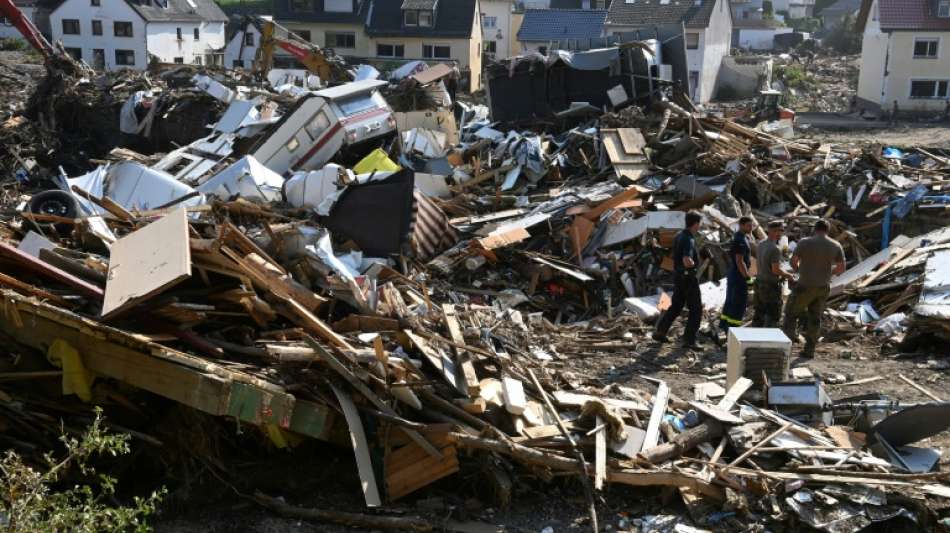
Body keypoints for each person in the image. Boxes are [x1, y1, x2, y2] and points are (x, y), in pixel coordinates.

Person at [782, 219, 846, 358]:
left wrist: (799, 270)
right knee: (815, 318)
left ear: (815, 229)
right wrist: (828, 273)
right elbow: (841, 268)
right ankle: (809, 350)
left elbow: (793, 261)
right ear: (827, 230)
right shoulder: (836, 245)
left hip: (805, 285)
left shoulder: (805, 242)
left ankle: (785, 350)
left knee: (791, 314)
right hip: (823, 287)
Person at [653, 211, 703, 350]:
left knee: (676, 306)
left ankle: (660, 331)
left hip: (679, 277)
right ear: (696, 223)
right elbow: (687, 260)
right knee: (696, 309)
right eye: (699, 223)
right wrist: (693, 264)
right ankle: (690, 340)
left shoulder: (679, 235)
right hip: (688, 277)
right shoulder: (689, 239)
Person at [752, 220, 794, 327]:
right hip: (770, 286)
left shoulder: (761, 244)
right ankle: (769, 340)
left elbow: (760, 264)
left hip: (759, 282)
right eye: (781, 230)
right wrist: (788, 275)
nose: (781, 233)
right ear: (775, 231)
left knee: (759, 314)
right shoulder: (775, 249)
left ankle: (753, 339)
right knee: (772, 315)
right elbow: (775, 270)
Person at [719, 216, 755, 334]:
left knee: (730, 300)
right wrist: (747, 277)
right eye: (749, 225)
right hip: (739, 276)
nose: (751, 228)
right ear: (741, 225)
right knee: (738, 303)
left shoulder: (740, 237)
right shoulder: (740, 240)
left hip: (733, 274)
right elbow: (740, 261)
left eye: (752, 225)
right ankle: (732, 331)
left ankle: (724, 326)